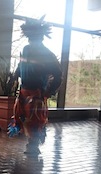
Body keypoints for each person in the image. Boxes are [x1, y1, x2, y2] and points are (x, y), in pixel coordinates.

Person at [8, 16, 62, 155]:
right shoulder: (26, 49)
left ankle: (34, 145)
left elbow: (58, 74)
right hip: (24, 90)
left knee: (36, 121)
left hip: (37, 93)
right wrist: (14, 76)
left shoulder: (47, 54)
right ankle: (30, 142)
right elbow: (21, 65)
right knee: (21, 117)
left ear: (40, 37)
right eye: (30, 37)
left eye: (34, 37)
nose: (31, 40)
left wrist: (49, 91)